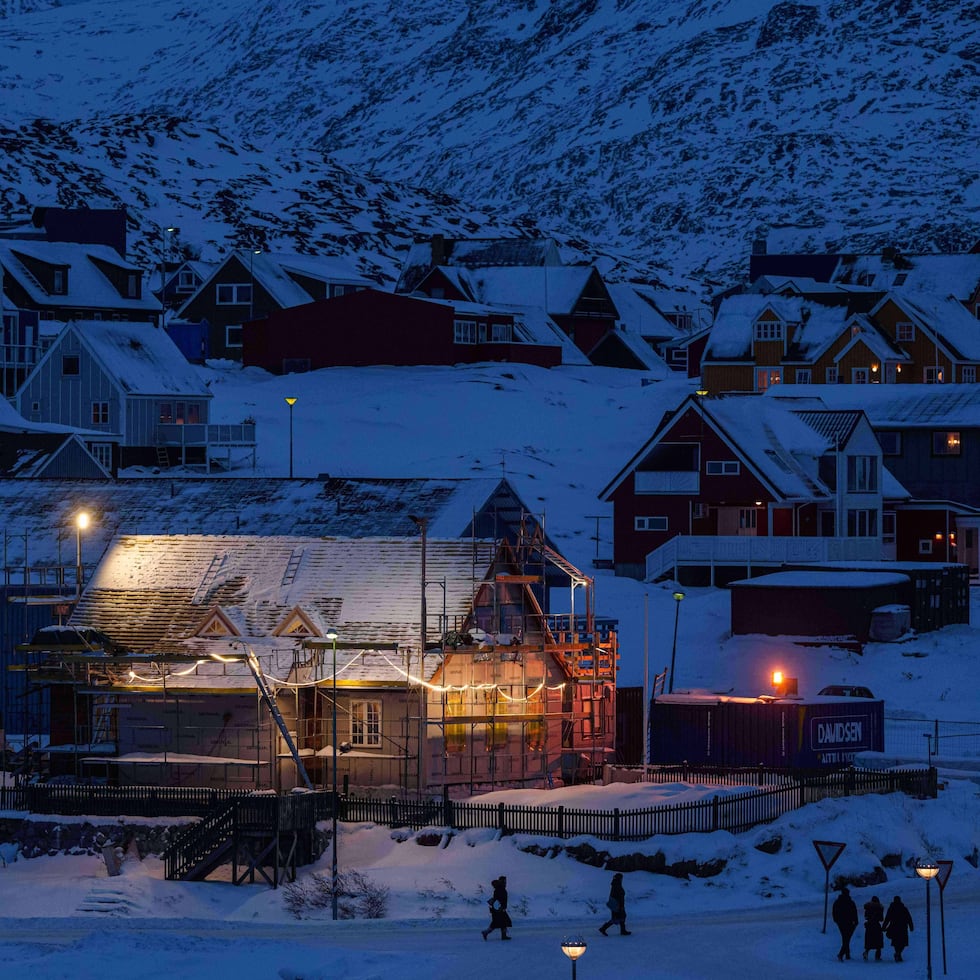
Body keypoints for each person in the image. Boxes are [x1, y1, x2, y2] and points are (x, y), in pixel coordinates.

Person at [599, 872, 632, 936]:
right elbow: (619, 897)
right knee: (617, 918)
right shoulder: (617, 885)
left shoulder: (615, 884)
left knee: (620, 917)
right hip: (618, 905)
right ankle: (603, 928)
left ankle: (622, 930)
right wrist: (621, 906)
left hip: (616, 904)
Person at [883, 895, 914, 962]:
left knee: (896, 942)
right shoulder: (903, 908)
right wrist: (911, 926)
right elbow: (909, 918)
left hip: (894, 928)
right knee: (902, 943)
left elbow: (887, 918)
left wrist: (884, 927)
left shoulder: (891, 908)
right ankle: (898, 953)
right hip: (902, 928)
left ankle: (898, 953)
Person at [831, 886, 858, 961]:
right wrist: (856, 921)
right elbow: (854, 912)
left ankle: (847, 954)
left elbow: (834, 912)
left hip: (840, 923)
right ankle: (841, 954)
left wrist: (836, 920)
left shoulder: (837, 902)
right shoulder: (850, 902)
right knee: (847, 938)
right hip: (849, 922)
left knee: (845, 938)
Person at [482, 876, 512, 941]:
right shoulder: (500, 889)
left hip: (498, 908)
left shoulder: (500, 888)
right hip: (498, 909)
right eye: (504, 881)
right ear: (502, 881)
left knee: (501, 922)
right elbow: (498, 899)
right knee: (500, 922)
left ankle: (503, 936)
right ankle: (486, 932)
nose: (506, 882)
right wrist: (501, 907)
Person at [863, 895, 885, 961]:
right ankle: (877, 956)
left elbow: (866, 917)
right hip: (876, 926)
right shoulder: (879, 908)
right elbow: (881, 919)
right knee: (878, 941)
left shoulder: (868, 908)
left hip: (869, 925)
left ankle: (866, 952)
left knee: (869, 941)